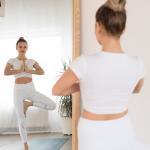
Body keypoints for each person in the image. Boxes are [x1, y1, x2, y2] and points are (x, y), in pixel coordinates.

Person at [52, 0, 150, 149]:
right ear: (124, 29)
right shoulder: (137, 64)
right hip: (122, 127)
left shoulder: (84, 63)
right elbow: (136, 89)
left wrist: (83, 85)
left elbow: (57, 90)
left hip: (92, 131)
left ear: (98, 27)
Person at [4, 37, 56, 150]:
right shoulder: (12, 60)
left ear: (27, 48)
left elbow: (42, 71)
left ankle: (29, 104)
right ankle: (25, 144)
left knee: (53, 105)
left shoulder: (31, 61)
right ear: (16, 48)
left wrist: (29, 70)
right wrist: (20, 70)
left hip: (30, 89)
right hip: (18, 90)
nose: (23, 48)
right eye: (20, 46)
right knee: (21, 118)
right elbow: (5, 72)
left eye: (25, 46)